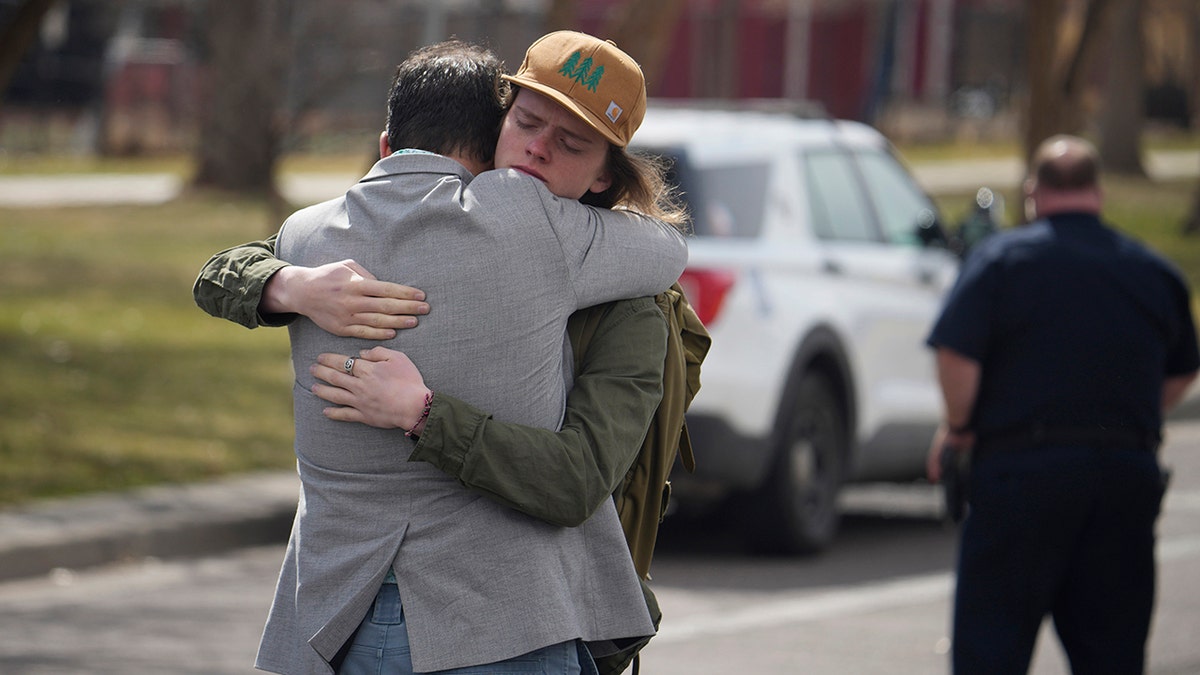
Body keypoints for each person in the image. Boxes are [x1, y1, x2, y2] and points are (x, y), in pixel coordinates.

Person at [201, 36, 690, 675]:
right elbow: (222, 272)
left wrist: (426, 415)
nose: (540, 147)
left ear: (605, 173)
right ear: (493, 131)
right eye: (527, 123)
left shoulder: (626, 306)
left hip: (493, 622)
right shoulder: (329, 244)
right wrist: (288, 284)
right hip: (368, 624)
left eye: (571, 144)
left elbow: (575, 480)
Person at [925, 134, 1199, 674]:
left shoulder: (1001, 261)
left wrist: (959, 428)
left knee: (992, 651)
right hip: (1124, 477)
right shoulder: (1154, 272)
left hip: (1020, 477)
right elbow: (1185, 366)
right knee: (1112, 654)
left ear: (1034, 192)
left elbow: (955, 353)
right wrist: (1130, 414)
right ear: (1097, 192)